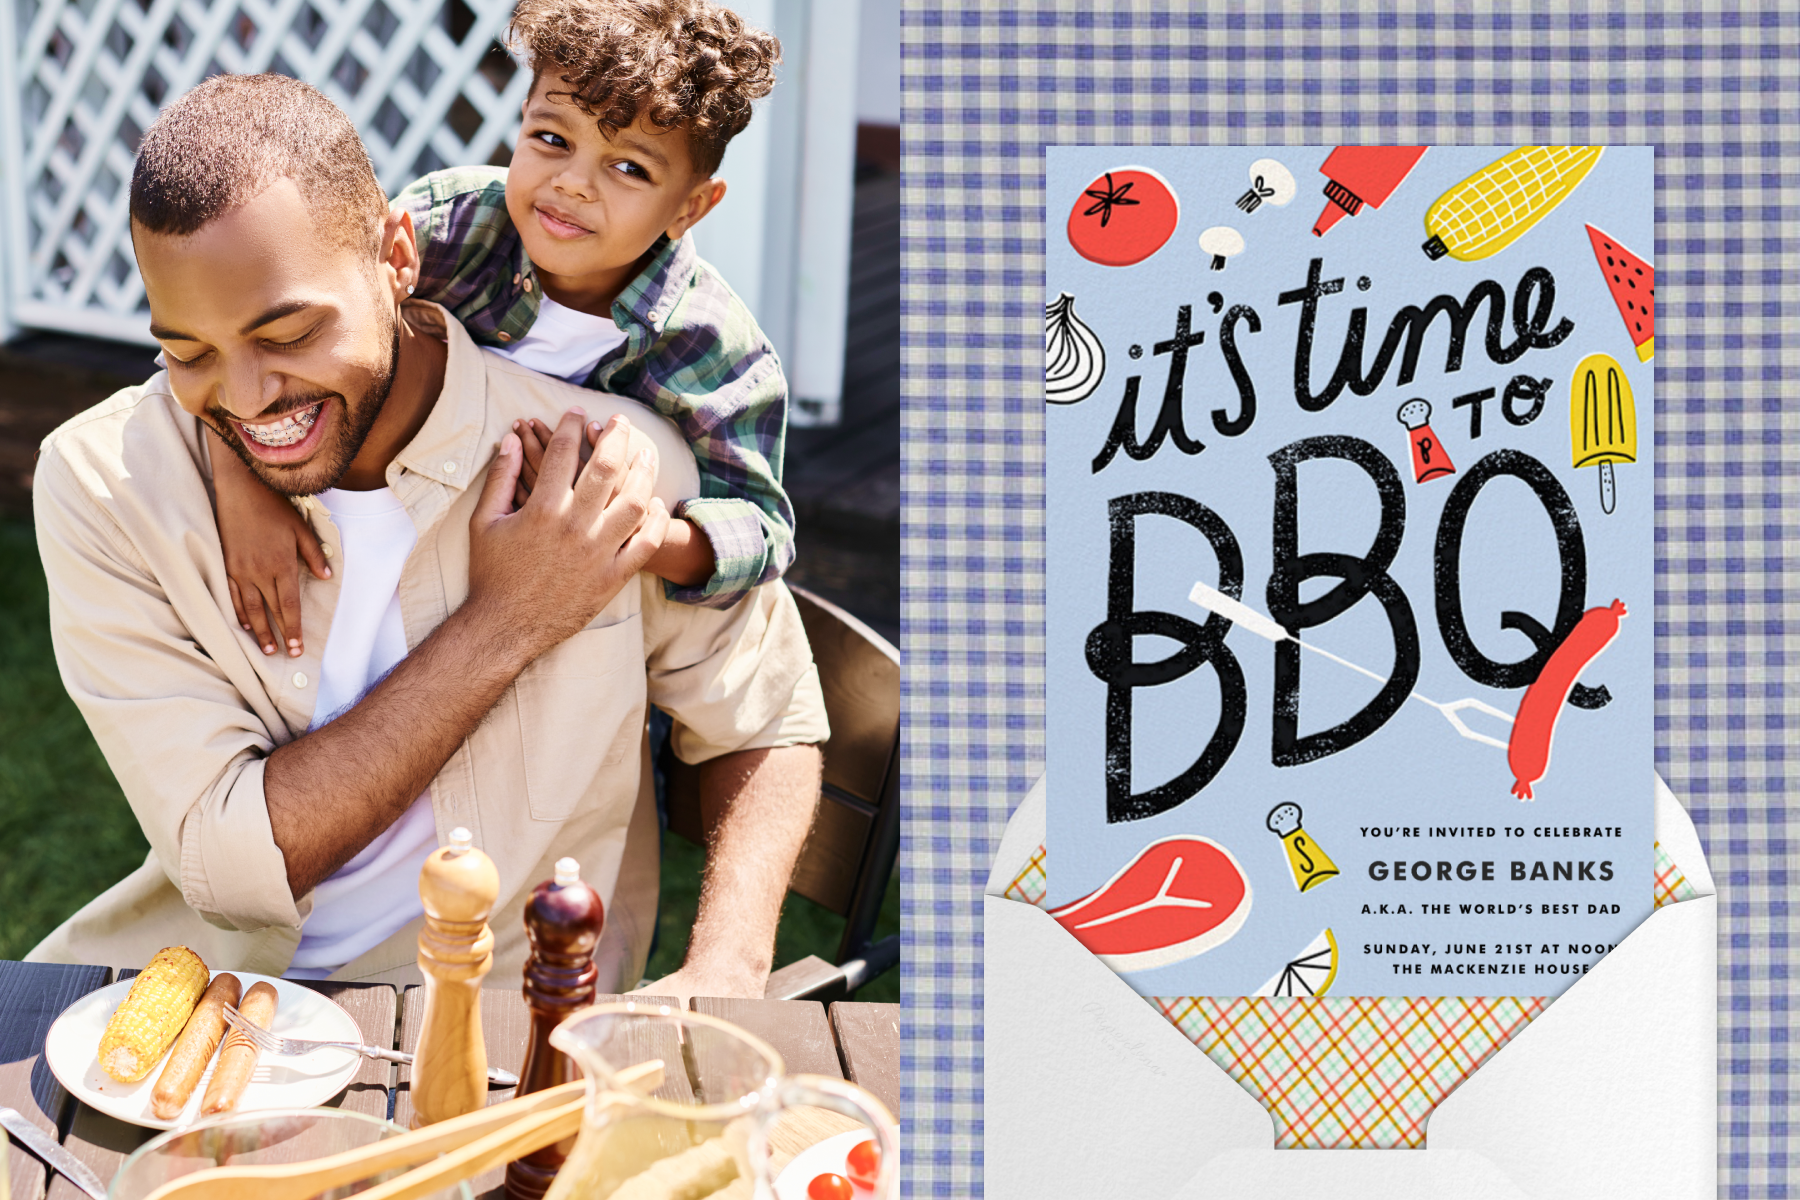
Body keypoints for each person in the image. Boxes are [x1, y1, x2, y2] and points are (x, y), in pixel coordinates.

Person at [28, 72, 827, 1003]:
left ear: (397, 256)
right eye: (189, 352)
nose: (247, 400)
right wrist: (510, 619)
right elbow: (233, 869)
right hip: (198, 997)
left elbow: (767, 713)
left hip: (507, 1025)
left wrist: (726, 964)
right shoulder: (104, 485)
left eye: (288, 333)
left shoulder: (605, 469)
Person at [211, 0, 796, 664]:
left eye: (629, 168)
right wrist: (244, 489)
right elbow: (254, 322)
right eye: (552, 139)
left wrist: (625, 532)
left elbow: (762, 530)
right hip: (390, 534)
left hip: (582, 628)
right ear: (521, 121)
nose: (572, 184)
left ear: (691, 207)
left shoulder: (714, 350)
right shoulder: (447, 228)